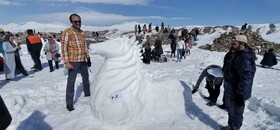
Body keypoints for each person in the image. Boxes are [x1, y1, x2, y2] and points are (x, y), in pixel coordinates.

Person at [221, 35, 256, 130]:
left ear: (241, 44)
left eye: (234, 43)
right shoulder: (238, 54)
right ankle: (231, 126)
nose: (232, 45)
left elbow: (246, 77)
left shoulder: (245, 58)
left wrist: (241, 94)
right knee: (231, 110)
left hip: (238, 91)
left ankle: (234, 128)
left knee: (236, 112)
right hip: (232, 88)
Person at [61, 13, 91, 111]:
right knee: (71, 81)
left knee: (86, 79)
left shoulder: (82, 32)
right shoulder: (67, 32)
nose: (78, 23)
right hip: (73, 61)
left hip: (82, 60)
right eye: (75, 21)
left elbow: (84, 46)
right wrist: (66, 62)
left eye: (79, 21)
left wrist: (88, 57)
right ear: (71, 22)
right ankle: (69, 103)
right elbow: (64, 48)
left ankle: (88, 95)